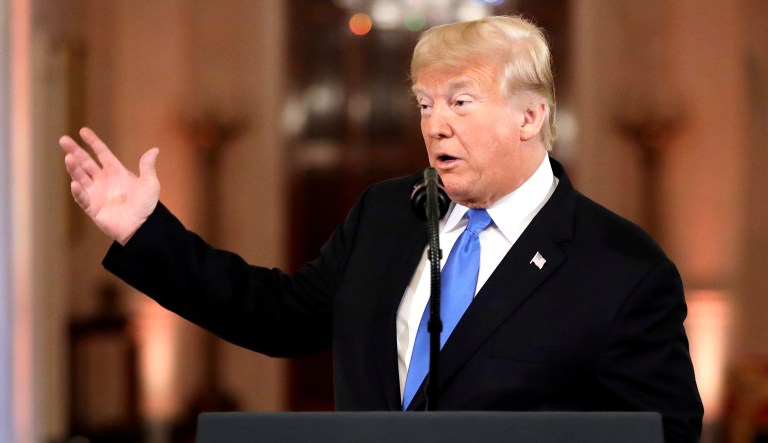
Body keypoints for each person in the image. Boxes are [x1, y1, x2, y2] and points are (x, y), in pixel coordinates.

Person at [60, 15, 703, 443]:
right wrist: (144, 231)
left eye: (460, 101)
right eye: (425, 104)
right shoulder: (388, 214)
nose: (435, 124)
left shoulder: (622, 267)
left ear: (529, 117)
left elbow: (664, 433)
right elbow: (280, 316)